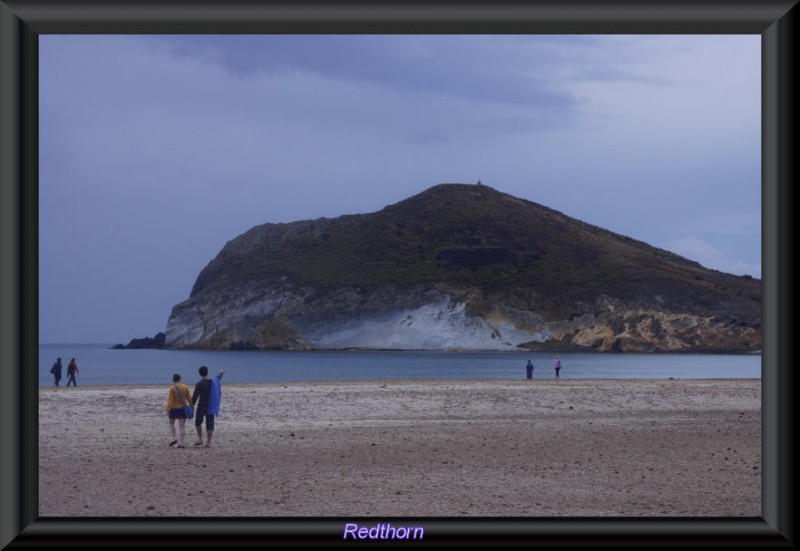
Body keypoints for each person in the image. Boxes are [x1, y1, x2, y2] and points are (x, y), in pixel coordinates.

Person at [192, 365, 225, 448]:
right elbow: (218, 378)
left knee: (198, 423)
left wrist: (190, 406)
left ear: (200, 374)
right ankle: (209, 442)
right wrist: (221, 373)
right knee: (210, 423)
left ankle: (200, 439)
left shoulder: (199, 384)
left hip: (202, 406)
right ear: (207, 372)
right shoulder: (212, 381)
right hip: (211, 405)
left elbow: (195, 397)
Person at [167, 373, 192, 448]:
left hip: (174, 409)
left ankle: (174, 438)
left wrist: (168, 409)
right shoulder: (185, 387)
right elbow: (189, 399)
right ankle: (181, 443)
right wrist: (192, 407)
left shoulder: (172, 388)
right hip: (182, 409)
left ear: (173, 380)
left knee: (171, 423)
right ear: (180, 379)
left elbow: (170, 401)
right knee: (182, 426)